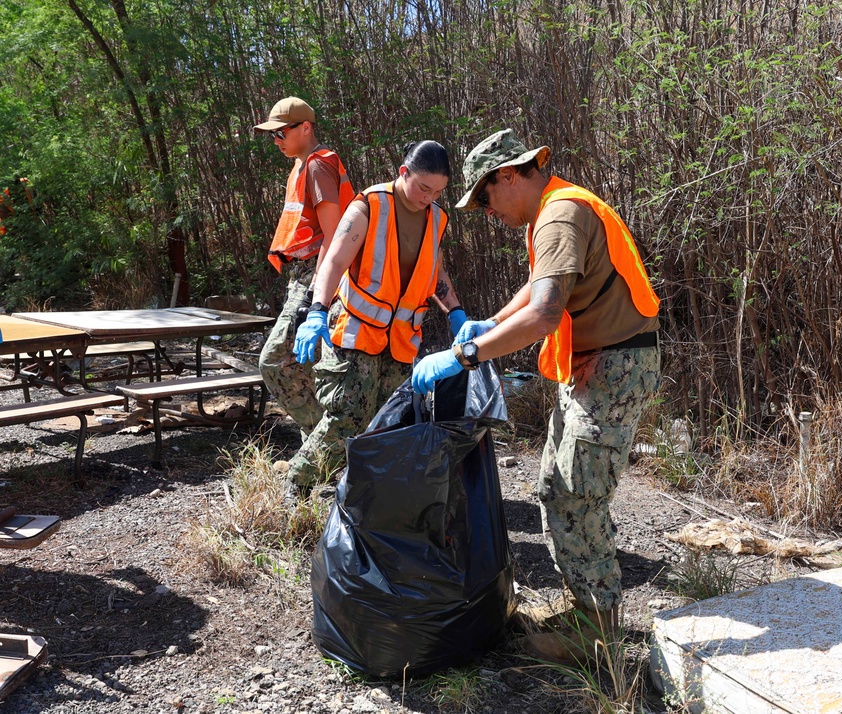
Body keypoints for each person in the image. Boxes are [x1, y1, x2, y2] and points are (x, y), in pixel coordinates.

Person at [412, 129, 661, 664]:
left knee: (576, 496)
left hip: (614, 370)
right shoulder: (555, 208)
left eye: (485, 198)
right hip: (595, 366)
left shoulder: (559, 215)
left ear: (507, 175)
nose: (488, 212)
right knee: (554, 485)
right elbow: (542, 285)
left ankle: (595, 635)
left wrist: (465, 355)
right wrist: (492, 323)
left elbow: (546, 313)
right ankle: (583, 607)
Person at [290, 140, 468, 493]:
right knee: (349, 416)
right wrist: (316, 311)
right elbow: (334, 261)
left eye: (437, 192)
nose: (429, 197)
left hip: (400, 340)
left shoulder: (437, 218)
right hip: (356, 330)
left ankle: (366, 495)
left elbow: (435, 272)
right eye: (423, 187)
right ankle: (296, 484)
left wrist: (456, 313)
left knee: (388, 420)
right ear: (403, 173)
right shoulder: (370, 206)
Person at [253, 96, 355, 449]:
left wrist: (315, 298)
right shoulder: (300, 165)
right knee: (304, 366)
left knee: (273, 362)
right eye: (272, 135)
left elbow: (334, 235)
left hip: (316, 273)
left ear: (306, 127)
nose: (276, 140)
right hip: (302, 273)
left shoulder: (318, 165)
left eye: (281, 132)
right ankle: (322, 457)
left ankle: (330, 444)